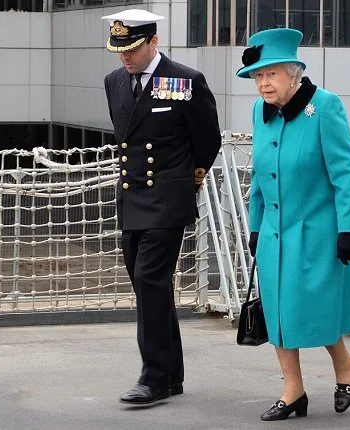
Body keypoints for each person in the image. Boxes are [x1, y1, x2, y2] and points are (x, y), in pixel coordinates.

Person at [236, 28, 350, 421]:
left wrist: (348, 230)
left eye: (270, 74)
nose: (263, 83)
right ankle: (293, 390)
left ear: (293, 73)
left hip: (319, 232)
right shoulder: (261, 111)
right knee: (277, 312)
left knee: (316, 310)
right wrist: (255, 226)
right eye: (257, 77)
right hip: (275, 232)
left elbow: (345, 173)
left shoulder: (324, 107)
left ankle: (346, 364)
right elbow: (259, 174)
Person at [101, 9, 221, 406]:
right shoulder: (114, 81)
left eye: (132, 49)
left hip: (168, 197)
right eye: (120, 50)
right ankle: (171, 375)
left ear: (153, 42)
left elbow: (208, 139)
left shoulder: (186, 81)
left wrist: (187, 179)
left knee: (150, 281)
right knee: (148, 287)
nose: (125, 58)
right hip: (132, 197)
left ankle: (152, 377)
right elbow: (127, 140)